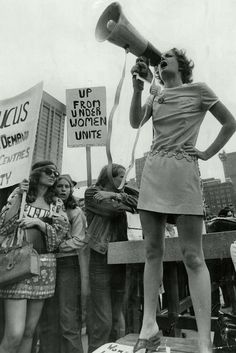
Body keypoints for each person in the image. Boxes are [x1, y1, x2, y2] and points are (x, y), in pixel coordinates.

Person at [129, 49, 236, 353]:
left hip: (184, 171)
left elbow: (230, 123)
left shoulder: (199, 90)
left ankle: (204, 340)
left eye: (168, 56)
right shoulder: (157, 95)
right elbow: (136, 121)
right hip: (154, 171)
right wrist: (137, 91)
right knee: (152, 251)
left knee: (193, 256)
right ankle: (148, 327)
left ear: (182, 65)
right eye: (160, 58)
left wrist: (207, 152)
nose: (161, 59)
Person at [0, 161, 69, 353]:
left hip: (44, 266)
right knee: (14, 333)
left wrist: (39, 223)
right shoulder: (19, 194)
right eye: (49, 171)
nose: (54, 175)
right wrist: (19, 195)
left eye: (56, 172)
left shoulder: (56, 202)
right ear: (36, 173)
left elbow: (61, 235)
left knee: (30, 331)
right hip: (17, 264)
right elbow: (3, 226)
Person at [85, 164, 138, 353]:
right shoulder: (92, 192)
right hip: (101, 256)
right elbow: (111, 210)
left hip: (120, 256)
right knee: (103, 320)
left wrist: (115, 195)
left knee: (118, 316)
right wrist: (119, 199)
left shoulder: (121, 192)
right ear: (108, 176)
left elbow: (141, 203)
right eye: (120, 177)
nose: (124, 180)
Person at [38, 174, 88, 353]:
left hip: (67, 263)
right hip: (48, 264)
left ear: (71, 189)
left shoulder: (75, 212)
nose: (63, 190)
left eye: (66, 187)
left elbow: (79, 240)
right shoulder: (48, 210)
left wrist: (56, 245)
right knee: (49, 315)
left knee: (68, 315)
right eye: (60, 186)